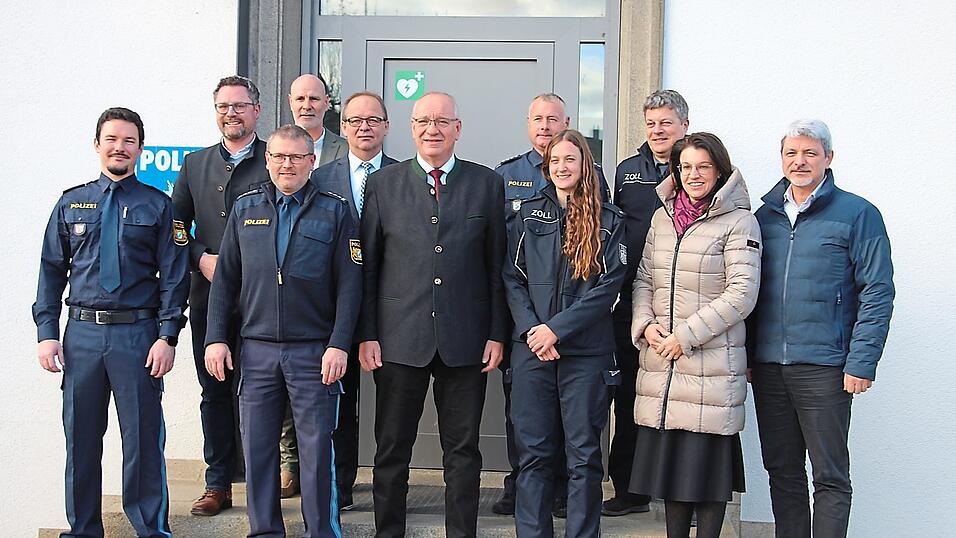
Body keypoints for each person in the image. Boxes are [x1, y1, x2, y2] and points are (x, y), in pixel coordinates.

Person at [357, 91, 508, 538]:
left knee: (463, 453)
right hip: (399, 339)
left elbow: (497, 267)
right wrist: (368, 334)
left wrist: (497, 332)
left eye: (442, 121)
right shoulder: (384, 185)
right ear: (410, 127)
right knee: (391, 451)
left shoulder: (487, 184)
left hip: (466, 340)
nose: (432, 129)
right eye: (423, 121)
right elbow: (369, 267)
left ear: (458, 129)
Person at [33, 107, 189, 538]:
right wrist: (47, 334)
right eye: (112, 139)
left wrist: (167, 336)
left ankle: (149, 529)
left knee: (142, 440)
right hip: (81, 335)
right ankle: (83, 529)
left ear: (140, 148)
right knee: (81, 441)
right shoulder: (71, 202)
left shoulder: (159, 205)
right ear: (97, 144)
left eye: (129, 141)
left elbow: (175, 277)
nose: (120, 147)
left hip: (137, 335)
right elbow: (50, 270)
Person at [205, 124, 362, 537]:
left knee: (315, 452)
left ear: (312, 162)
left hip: (315, 353)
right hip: (256, 351)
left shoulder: (335, 210)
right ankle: (264, 531)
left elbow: (350, 286)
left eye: (296, 157)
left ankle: (321, 533)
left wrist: (339, 344)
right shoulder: (245, 208)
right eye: (278, 156)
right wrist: (216, 337)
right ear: (267, 160)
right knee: (257, 451)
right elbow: (225, 282)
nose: (286, 164)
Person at [748, 120, 894, 538]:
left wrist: (862, 361)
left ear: (828, 159)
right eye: (792, 153)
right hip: (770, 367)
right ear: (781, 159)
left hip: (827, 367)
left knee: (829, 476)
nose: (800, 161)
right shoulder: (764, 217)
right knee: (782, 471)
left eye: (810, 153)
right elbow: (749, 291)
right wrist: (749, 355)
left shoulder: (858, 214)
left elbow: (877, 291)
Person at [629, 132, 760, 538]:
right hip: (663, 365)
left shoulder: (739, 221)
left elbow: (742, 293)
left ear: (719, 169)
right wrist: (645, 324)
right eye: (685, 166)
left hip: (709, 364)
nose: (693, 174)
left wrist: (684, 336)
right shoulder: (661, 218)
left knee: (706, 479)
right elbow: (644, 278)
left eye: (703, 166)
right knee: (672, 479)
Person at [502, 129, 626, 538]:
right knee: (534, 456)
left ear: (584, 165)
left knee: (584, 457)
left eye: (570, 159)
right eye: (555, 161)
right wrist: (534, 331)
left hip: (585, 355)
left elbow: (608, 288)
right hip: (532, 353)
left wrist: (556, 330)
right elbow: (511, 277)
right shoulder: (526, 214)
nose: (561, 167)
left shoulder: (609, 222)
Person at [172, 75, 270, 515]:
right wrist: (199, 258)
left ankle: (268, 481)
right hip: (210, 298)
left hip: (266, 298)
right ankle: (218, 483)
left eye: (240, 105)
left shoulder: (277, 157)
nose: (231, 113)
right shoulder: (195, 165)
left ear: (257, 110)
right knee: (215, 390)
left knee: (269, 391)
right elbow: (174, 227)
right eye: (223, 106)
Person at [312, 90, 397, 510]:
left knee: (392, 406)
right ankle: (340, 484)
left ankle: (387, 488)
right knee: (339, 402)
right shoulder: (320, 178)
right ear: (342, 128)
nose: (364, 127)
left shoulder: (405, 175)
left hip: (392, 309)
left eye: (373, 120)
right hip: (334, 309)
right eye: (355, 120)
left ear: (386, 126)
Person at [605, 89, 689, 516]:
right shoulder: (626, 172)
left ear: (684, 127)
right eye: (652, 123)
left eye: (666, 123)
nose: (658, 131)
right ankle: (629, 490)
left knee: (681, 403)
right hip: (632, 305)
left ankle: (679, 491)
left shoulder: (699, 168)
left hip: (685, 307)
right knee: (630, 398)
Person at [491, 92, 574, 517]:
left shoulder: (588, 174)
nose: (545, 126)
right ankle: (519, 482)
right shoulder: (507, 174)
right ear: (528, 123)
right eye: (538, 119)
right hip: (520, 312)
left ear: (566, 123)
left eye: (553, 119)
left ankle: (559, 487)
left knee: (566, 409)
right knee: (519, 406)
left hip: (567, 314)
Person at [290, 73, 348, 168]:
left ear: (326, 102)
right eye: (300, 99)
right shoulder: (274, 150)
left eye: (314, 99)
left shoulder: (346, 150)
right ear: (291, 102)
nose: (307, 106)